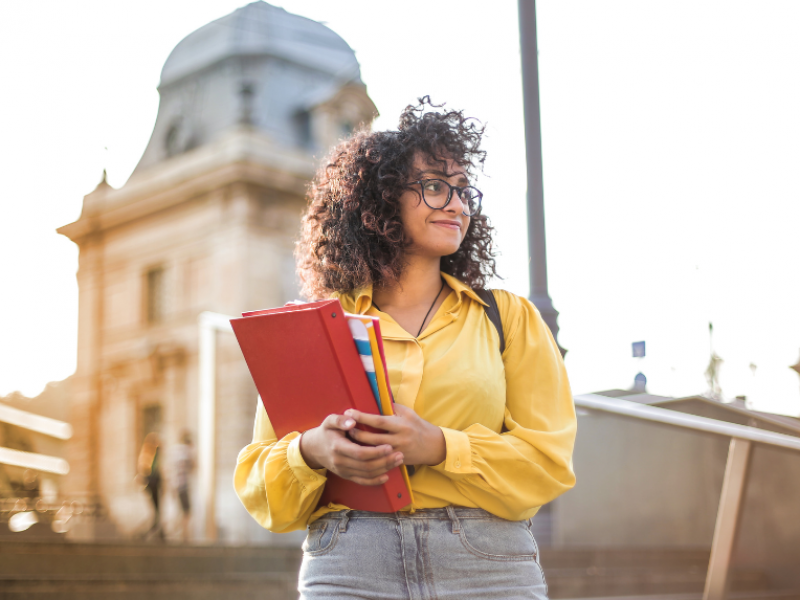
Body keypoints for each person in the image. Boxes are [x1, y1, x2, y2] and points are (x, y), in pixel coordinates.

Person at [234, 97, 576, 599]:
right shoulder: (317, 330)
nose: (457, 205)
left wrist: (439, 446)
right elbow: (263, 488)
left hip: (487, 565)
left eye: (463, 191)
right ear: (380, 200)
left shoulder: (508, 318)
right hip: (349, 563)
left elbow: (548, 463)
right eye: (435, 187)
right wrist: (312, 451)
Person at [137, 432, 163, 540]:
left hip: (155, 484)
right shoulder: (147, 454)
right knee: (154, 509)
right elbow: (145, 470)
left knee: (157, 509)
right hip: (151, 483)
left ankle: (158, 530)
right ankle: (153, 530)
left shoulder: (154, 454)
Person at [172, 430, 195, 542]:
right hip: (183, 485)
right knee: (186, 511)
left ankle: (181, 532)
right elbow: (193, 465)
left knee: (181, 510)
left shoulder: (175, 451)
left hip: (175, 485)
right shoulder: (186, 451)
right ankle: (183, 534)